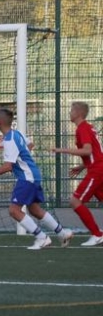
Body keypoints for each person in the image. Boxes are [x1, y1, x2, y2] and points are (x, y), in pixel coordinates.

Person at [0, 108, 72, 250]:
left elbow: (8, 166)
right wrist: (22, 158)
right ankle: (62, 233)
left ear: (0, 122)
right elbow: (30, 145)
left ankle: (42, 238)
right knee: (34, 209)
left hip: (27, 177)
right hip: (34, 175)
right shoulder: (17, 134)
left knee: (14, 210)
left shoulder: (9, 140)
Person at [50, 101, 103, 247]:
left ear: (78, 113)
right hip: (97, 168)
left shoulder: (83, 128)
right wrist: (82, 166)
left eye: (71, 110)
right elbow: (95, 152)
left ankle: (97, 234)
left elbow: (87, 150)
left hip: (97, 170)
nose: (69, 113)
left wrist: (62, 150)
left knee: (75, 201)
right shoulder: (88, 127)